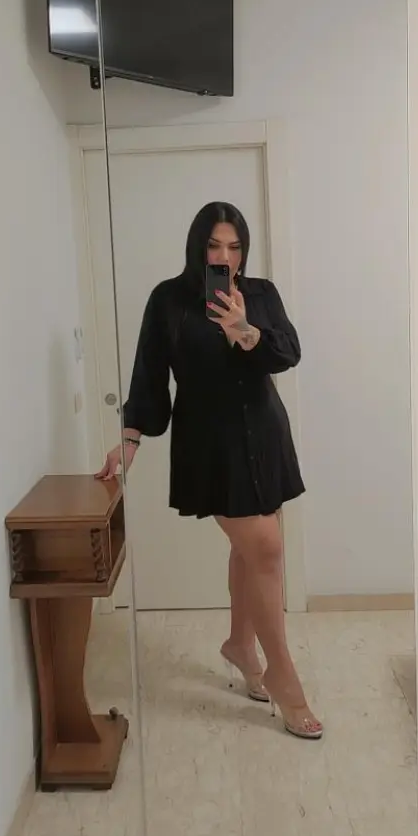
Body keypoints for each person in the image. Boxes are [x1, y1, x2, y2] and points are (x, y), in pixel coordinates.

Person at [97, 201, 322, 740]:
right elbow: (150, 373)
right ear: (198, 247)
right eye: (214, 245)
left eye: (234, 247)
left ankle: (241, 645)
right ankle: (284, 677)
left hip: (264, 433)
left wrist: (245, 330)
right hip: (210, 443)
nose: (225, 256)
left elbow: (288, 352)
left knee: (252, 551)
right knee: (265, 548)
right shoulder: (169, 299)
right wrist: (130, 438)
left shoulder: (260, 294)